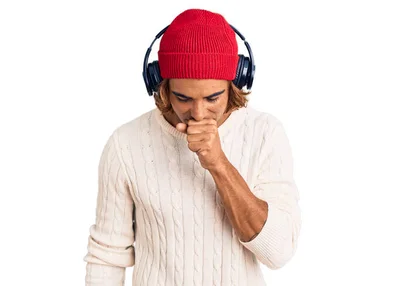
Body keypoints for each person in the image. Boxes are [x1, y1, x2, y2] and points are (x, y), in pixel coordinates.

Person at [83, 8, 301, 286]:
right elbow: (107, 257)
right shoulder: (126, 144)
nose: (198, 113)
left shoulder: (265, 134)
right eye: (182, 98)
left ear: (235, 83)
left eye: (212, 98)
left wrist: (219, 163)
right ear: (161, 85)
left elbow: (279, 251)